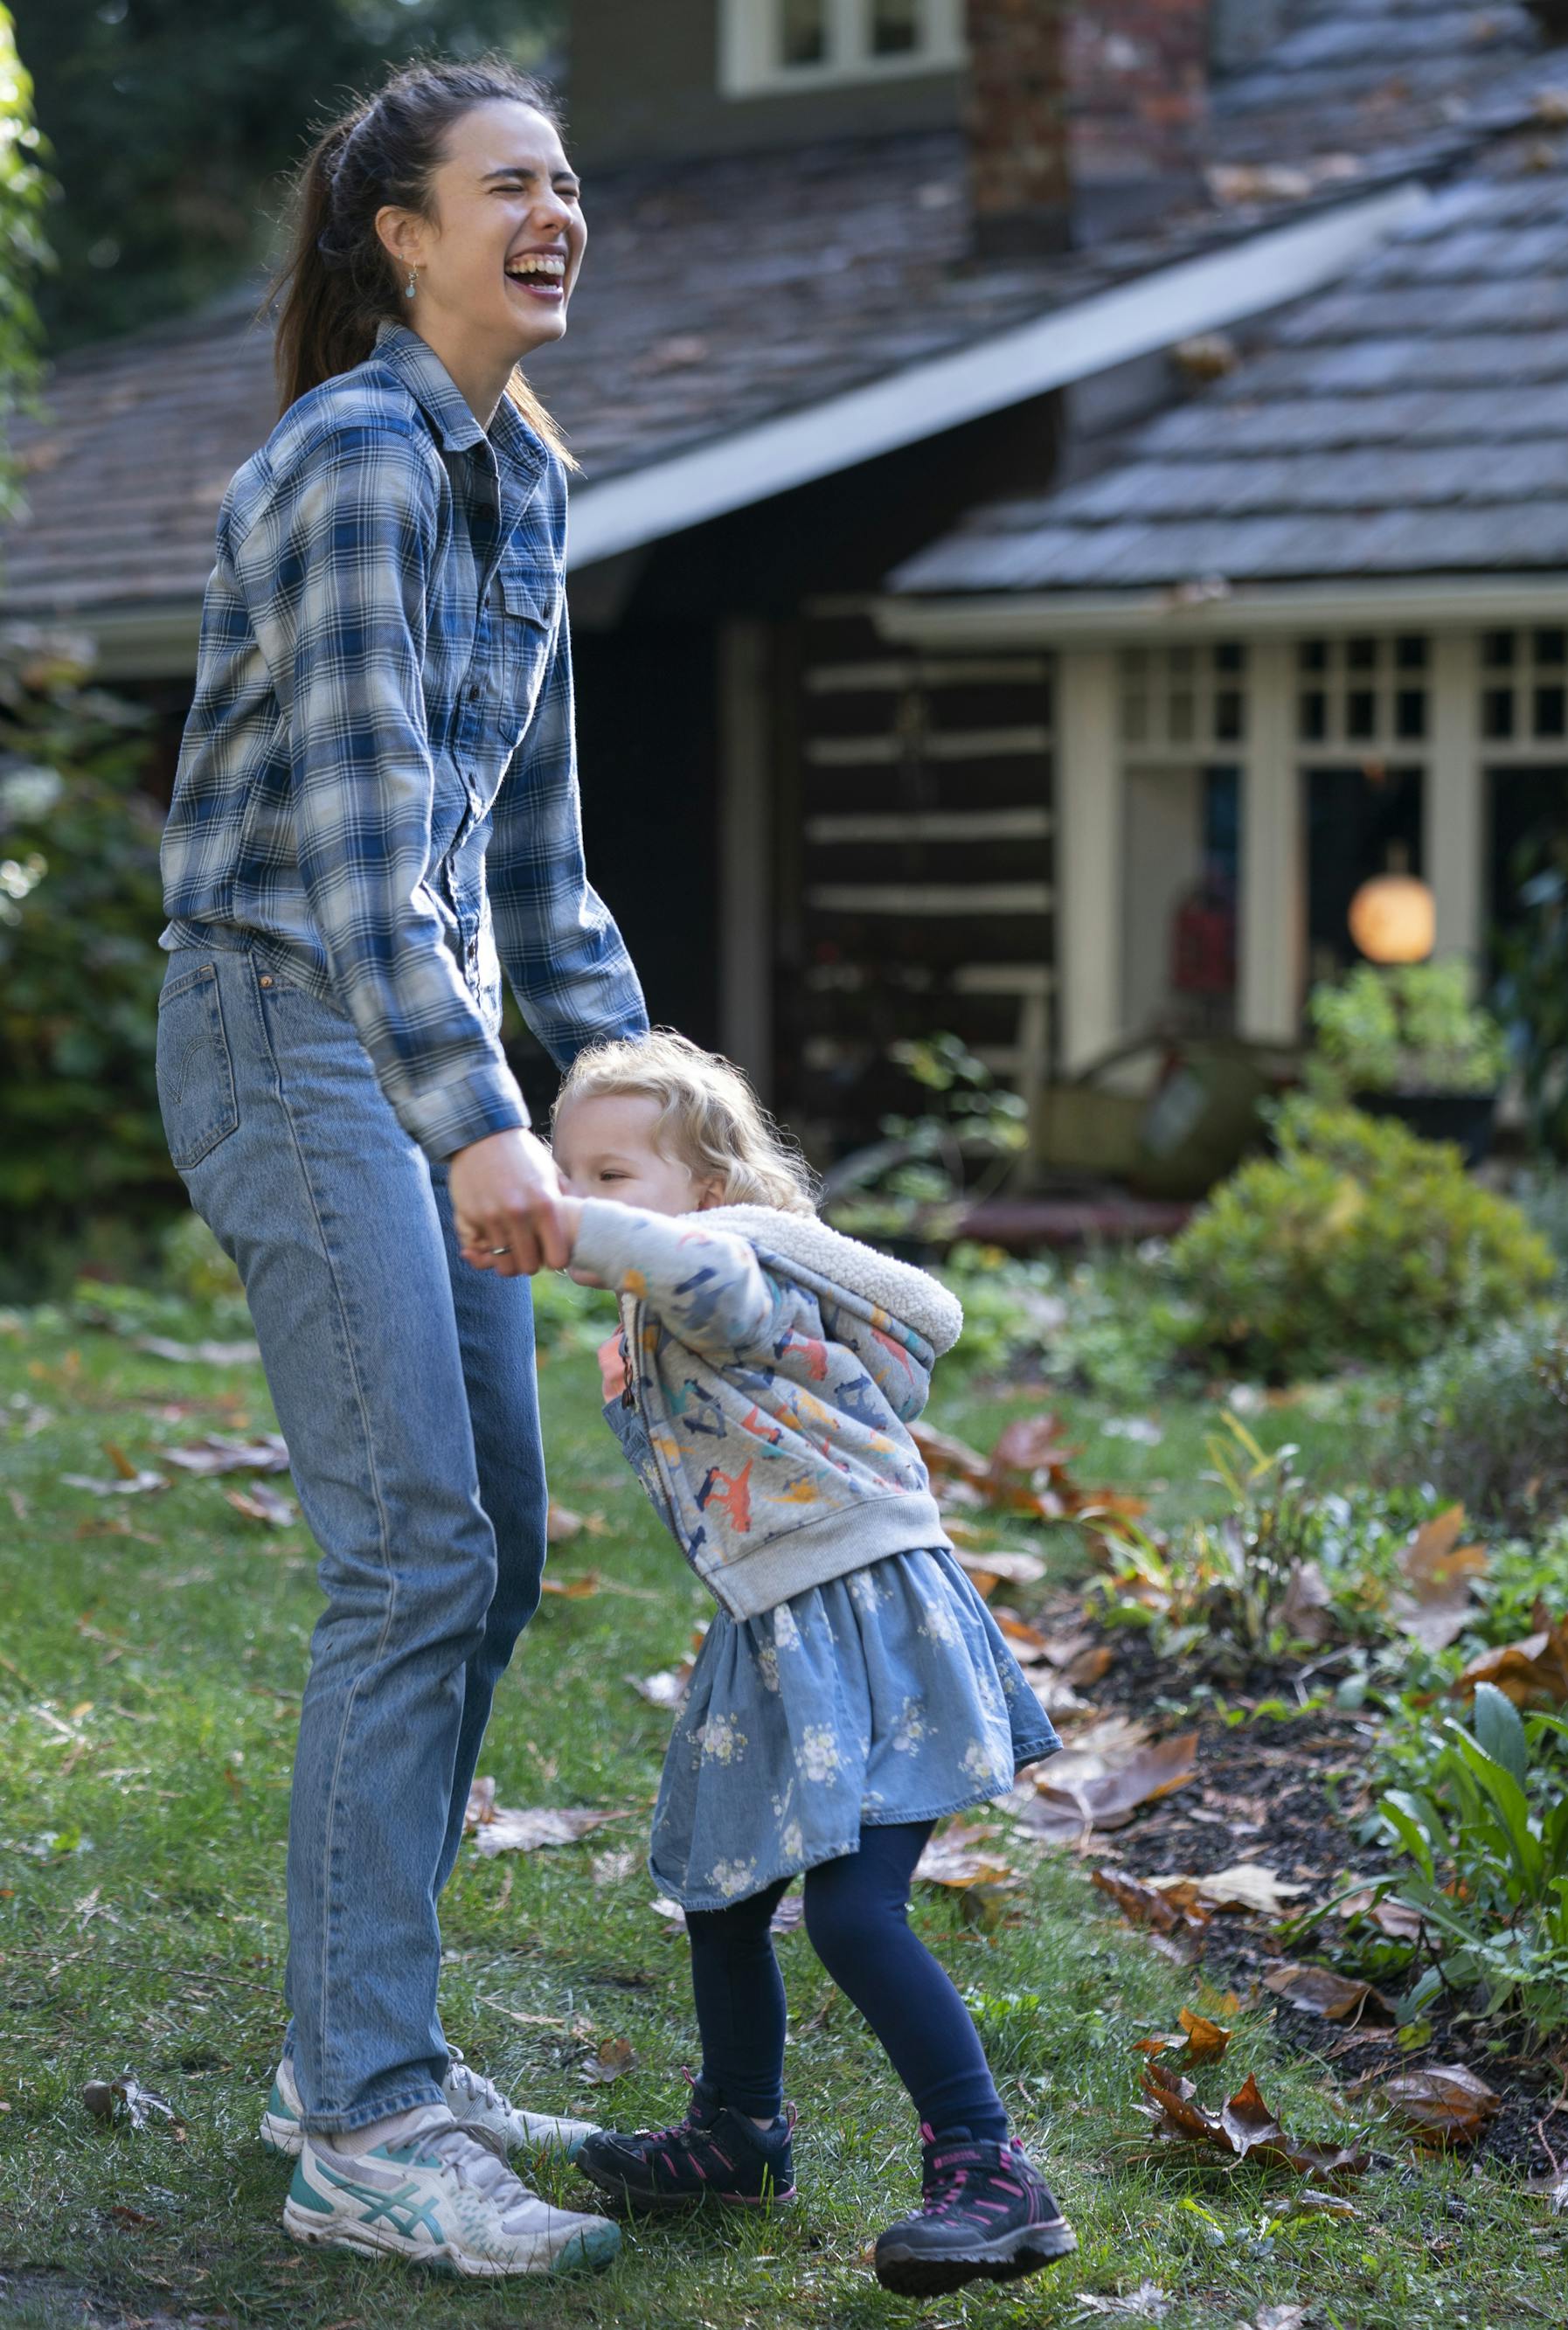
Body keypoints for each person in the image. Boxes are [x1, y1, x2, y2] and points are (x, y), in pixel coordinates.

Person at [154, 59, 643, 2276]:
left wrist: (661, 1100)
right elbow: (365, 852)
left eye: (566, 183)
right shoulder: (354, 460)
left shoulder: (523, 478)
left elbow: (531, 870)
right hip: (285, 1023)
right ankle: (361, 2108)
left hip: (395, 1037)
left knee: (503, 1547)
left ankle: (368, 2049)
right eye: (506, 187)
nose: (553, 214)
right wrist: (481, 1118)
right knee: (412, 1553)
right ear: (401, 238)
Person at [530, 1030, 1079, 2300]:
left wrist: (564, 1224)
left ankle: (994, 2172)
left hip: (869, 1614)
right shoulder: (664, 1289)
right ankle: (739, 2132)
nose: (578, 1194)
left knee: (850, 1908)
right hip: (776, 1620)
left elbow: (696, 1278)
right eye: (566, 1168)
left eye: (610, 1173)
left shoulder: (728, 1264)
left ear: (708, 1188)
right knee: (722, 1887)